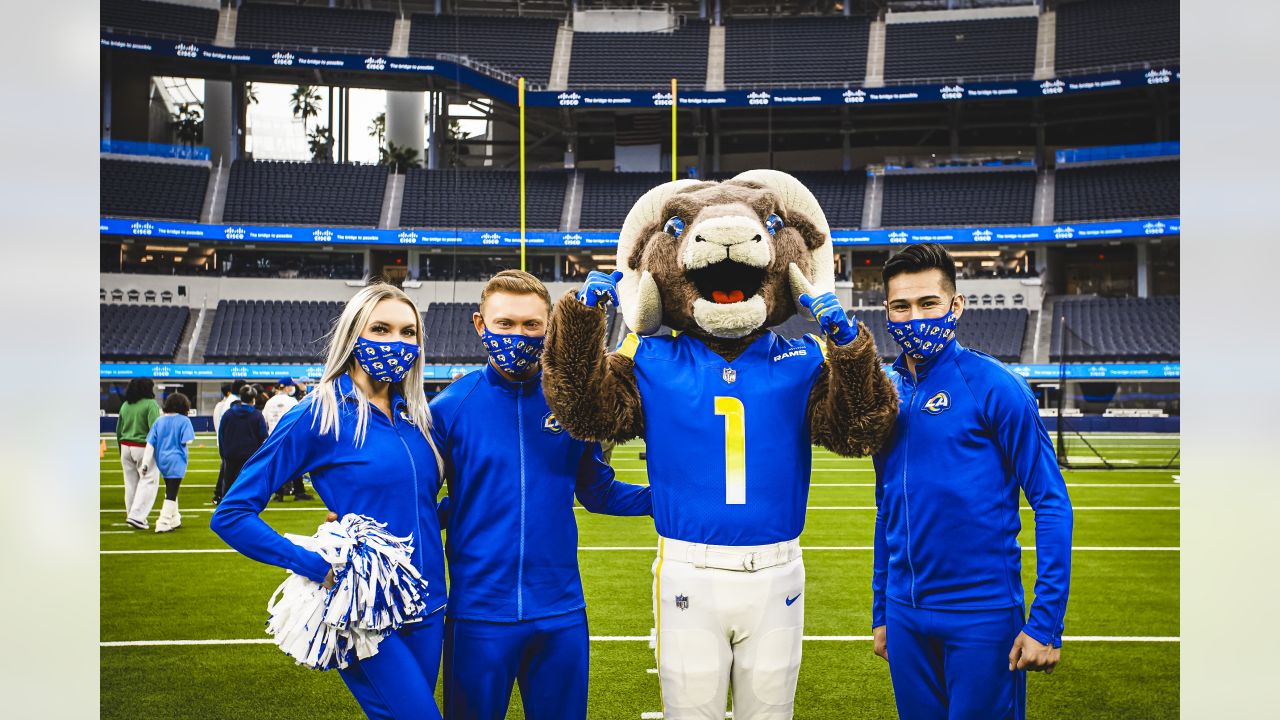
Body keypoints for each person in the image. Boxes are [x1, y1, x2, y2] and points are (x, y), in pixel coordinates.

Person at [211, 283, 449, 720]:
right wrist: (319, 568)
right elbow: (231, 514)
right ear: (353, 335)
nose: (397, 342)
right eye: (380, 328)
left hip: (431, 604)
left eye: (408, 332)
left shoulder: (418, 417)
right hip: (364, 605)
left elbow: (420, 509)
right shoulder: (317, 413)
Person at [429, 270, 653, 720]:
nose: (519, 334)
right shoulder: (448, 408)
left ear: (550, 325)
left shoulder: (571, 404)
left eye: (532, 324)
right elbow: (416, 505)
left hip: (560, 614)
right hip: (477, 617)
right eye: (505, 324)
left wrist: (673, 498)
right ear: (480, 325)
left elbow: (598, 491)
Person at [871, 244, 1074, 720]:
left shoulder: (997, 386)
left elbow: (1051, 502)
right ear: (886, 312)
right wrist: (883, 609)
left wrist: (1046, 623)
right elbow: (887, 507)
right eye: (901, 307)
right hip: (906, 616)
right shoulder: (885, 392)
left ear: (956, 306)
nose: (914, 317)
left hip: (982, 616)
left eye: (928, 304)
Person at [141, 391, 196, 533]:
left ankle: (175, 518)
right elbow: (188, 440)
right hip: (177, 461)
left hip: (162, 460)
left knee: (171, 489)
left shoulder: (159, 421)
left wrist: (145, 463)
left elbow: (150, 444)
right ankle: (163, 522)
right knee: (172, 492)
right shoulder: (184, 421)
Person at [116, 377, 162, 530]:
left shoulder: (125, 405)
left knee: (130, 484)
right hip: (143, 447)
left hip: (125, 447)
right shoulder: (151, 405)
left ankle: (131, 513)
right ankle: (137, 516)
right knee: (148, 480)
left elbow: (118, 430)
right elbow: (155, 431)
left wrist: (120, 450)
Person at [262, 377, 313, 502]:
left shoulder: (270, 402)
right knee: (296, 465)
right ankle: (299, 492)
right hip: (290, 437)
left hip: (274, 438)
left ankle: (279, 494)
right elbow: (300, 419)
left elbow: (264, 420)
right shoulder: (292, 401)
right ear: (287, 387)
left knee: (278, 466)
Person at [216, 385, 268, 497]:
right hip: (250, 455)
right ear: (253, 399)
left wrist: (223, 453)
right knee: (248, 483)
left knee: (229, 483)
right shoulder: (257, 415)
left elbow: (221, 435)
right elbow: (263, 437)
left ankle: (228, 506)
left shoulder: (228, 414)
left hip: (231, 454)